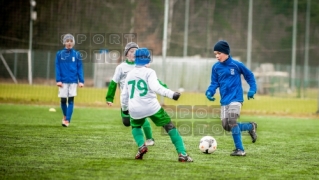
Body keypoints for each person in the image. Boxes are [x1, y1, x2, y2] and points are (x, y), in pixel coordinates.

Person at [121, 47, 193, 162]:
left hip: (135, 108)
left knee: (136, 126)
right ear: (148, 60)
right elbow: (156, 87)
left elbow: (124, 95)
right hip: (151, 107)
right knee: (169, 126)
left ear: (135, 59)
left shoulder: (129, 74)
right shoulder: (150, 72)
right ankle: (182, 154)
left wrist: (124, 110)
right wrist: (172, 94)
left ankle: (141, 146)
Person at [205, 40, 258, 156]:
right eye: (215, 54)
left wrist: (252, 89)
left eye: (219, 53)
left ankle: (240, 149)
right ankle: (250, 126)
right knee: (226, 126)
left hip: (236, 98)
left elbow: (249, 76)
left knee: (232, 121)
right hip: (224, 101)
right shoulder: (215, 68)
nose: (217, 56)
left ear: (226, 52)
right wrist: (209, 91)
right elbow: (214, 83)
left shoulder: (236, 65)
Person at [105, 42, 155, 146]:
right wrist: (109, 98)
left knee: (141, 118)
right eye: (131, 51)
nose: (134, 54)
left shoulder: (142, 66)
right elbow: (114, 83)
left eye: (136, 52)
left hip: (138, 99)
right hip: (125, 100)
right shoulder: (121, 67)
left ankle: (149, 140)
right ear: (126, 54)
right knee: (127, 122)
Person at [55, 33, 84, 127]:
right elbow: (57, 67)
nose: (69, 43)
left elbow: (80, 68)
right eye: (67, 41)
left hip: (73, 81)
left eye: (71, 41)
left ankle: (67, 120)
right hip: (62, 81)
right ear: (64, 42)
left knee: (71, 100)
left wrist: (81, 81)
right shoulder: (59, 54)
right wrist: (58, 80)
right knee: (63, 100)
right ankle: (65, 115)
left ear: (73, 42)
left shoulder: (77, 54)